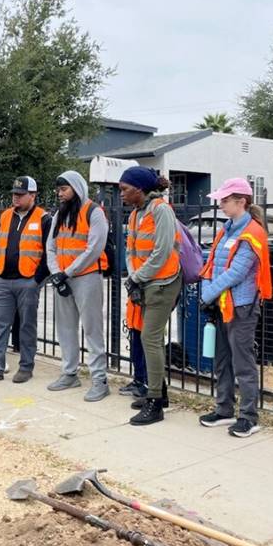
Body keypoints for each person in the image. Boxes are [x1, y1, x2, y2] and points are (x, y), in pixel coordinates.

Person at [198, 178, 272, 438]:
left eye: (225, 200)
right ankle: (224, 409)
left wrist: (207, 292)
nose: (221, 204)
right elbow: (212, 262)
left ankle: (249, 417)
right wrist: (208, 291)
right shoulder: (227, 228)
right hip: (221, 303)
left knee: (243, 362)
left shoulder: (253, 232)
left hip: (241, 306)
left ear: (241, 201)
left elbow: (237, 272)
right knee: (222, 360)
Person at [0, 176, 50, 384]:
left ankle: (26, 366)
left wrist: (37, 280)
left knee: (27, 326)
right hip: (3, 281)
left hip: (28, 281)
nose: (16, 197)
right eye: (14, 194)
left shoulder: (43, 219)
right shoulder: (5, 216)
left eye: (20, 194)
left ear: (32, 195)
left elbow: (49, 253)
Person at [120, 167, 182, 426]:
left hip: (164, 282)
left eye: (125, 189)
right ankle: (161, 392)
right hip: (146, 282)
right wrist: (134, 276)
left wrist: (137, 276)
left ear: (140, 189)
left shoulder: (161, 210)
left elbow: (163, 251)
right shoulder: (136, 213)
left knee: (150, 338)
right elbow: (130, 249)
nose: (121, 194)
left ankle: (155, 402)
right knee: (150, 337)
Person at [46, 171, 110, 401]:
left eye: (64, 189)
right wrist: (56, 274)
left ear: (76, 187)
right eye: (59, 189)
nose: (59, 193)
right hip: (63, 278)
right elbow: (50, 247)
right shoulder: (59, 214)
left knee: (92, 329)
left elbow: (93, 249)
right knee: (65, 328)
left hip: (86, 277)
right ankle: (69, 373)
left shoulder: (94, 212)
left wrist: (67, 273)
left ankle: (100, 379)